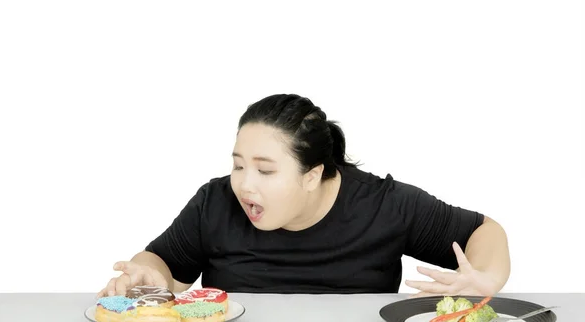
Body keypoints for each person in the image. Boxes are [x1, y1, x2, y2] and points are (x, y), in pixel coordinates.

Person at [97, 94, 511, 299]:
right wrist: (145, 276)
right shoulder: (216, 202)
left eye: (266, 169)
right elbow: (164, 266)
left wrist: (486, 279)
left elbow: (484, 230)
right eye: (238, 164)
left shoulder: (384, 204)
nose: (243, 184)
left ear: (313, 175)